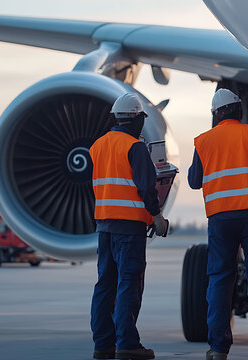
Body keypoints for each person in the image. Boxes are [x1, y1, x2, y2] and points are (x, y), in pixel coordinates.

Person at [188, 89, 248, 360]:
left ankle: (218, 348)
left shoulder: (203, 141)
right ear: (238, 112)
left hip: (220, 219)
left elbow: (194, 181)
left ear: (216, 114)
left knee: (219, 279)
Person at [89, 93, 168, 360]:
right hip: (129, 228)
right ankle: (128, 344)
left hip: (104, 226)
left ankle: (103, 344)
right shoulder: (135, 148)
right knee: (128, 285)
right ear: (135, 119)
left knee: (105, 285)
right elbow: (146, 188)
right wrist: (156, 217)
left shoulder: (97, 146)